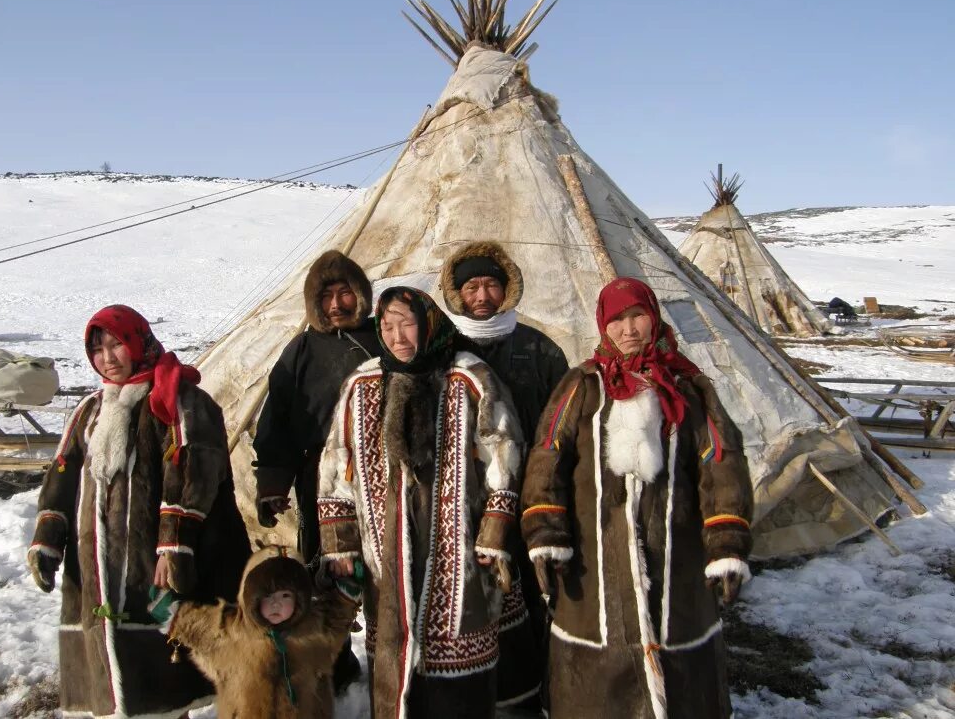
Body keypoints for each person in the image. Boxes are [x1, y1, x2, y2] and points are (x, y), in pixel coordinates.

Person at [520, 278, 753, 719]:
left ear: (654, 317)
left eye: (637, 317)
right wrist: (546, 532)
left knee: (678, 652)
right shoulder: (581, 386)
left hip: (677, 551)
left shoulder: (688, 387)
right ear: (603, 326)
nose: (629, 330)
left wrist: (726, 543)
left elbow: (720, 463)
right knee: (599, 666)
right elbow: (547, 456)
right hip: (595, 557)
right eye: (617, 320)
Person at [26, 304, 250, 718]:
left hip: (155, 560)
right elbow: (62, 473)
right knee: (114, 681)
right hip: (98, 566)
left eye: (116, 345)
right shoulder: (91, 411)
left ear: (138, 343)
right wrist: (48, 538)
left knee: (164, 684)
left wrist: (172, 546)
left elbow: (193, 471)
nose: (108, 358)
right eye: (98, 349)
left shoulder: (178, 400)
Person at [318, 287, 523, 719]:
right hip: (385, 556)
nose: (397, 337)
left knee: (458, 675)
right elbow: (337, 465)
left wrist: (494, 532)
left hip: (459, 557)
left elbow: (503, 453)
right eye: (387, 327)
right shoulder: (361, 385)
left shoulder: (470, 378)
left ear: (427, 324)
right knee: (394, 660)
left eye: (406, 324)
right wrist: (339, 543)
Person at [440, 241, 569, 710]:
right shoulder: (444, 348)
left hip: (530, 490)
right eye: (471, 285)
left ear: (506, 288)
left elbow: (563, 424)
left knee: (531, 593)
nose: (481, 294)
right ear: (456, 293)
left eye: (491, 283)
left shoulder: (539, 348)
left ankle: (534, 689)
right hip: (464, 498)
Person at [252, 249, 381, 692]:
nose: (337, 304)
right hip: (320, 481)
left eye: (345, 293)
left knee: (387, 569)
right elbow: (278, 420)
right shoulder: (302, 350)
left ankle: (391, 655)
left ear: (361, 295)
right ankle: (335, 660)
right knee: (327, 568)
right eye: (326, 296)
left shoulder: (387, 338)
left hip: (384, 477)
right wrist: (272, 483)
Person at [148, 546, 363, 719]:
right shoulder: (231, 631)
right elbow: (197, 628)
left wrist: (347, 593)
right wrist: (170, 613)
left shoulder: (312, 628)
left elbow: (335, 620)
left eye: (285, 596)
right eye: (267, 597)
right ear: (250, 597)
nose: (276, 604)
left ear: (301, 597)